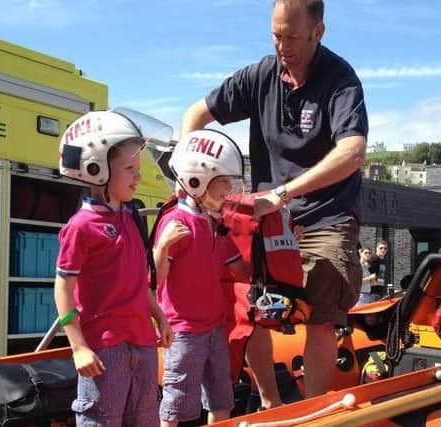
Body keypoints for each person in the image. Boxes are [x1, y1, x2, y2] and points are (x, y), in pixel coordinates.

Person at [181, 0, 367, 401]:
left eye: (292, 37)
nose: (282, 45)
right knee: (251, 311)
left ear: (318, 32)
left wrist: (282, 194)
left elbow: (353, 152)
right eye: (275, 35)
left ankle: (313, 410)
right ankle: (270, 401)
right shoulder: (260, 75)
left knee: (319, 314)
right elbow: (196, 114)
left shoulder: (340, 79)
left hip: (325, 215)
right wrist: (188, 178)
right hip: (267, 218)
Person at [54, 109, 174, 426]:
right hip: (105, 350)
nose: (139, 177)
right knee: (101, 420)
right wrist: (78, 346)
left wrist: (159, 316)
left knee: (146, 419)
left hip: (143, 344)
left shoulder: (130, 218)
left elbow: (137, 283)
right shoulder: (81, 226)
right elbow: (62, 288)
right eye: (130, 168)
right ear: (97, 169)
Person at [154, 129, 249, 426]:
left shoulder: (213, 225)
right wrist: (163, 246)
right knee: (175, 406)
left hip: (214, 328)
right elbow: (155, 279)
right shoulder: (175, 223)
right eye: (223, 183)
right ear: (198, 180)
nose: (229, 191)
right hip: (184, 331)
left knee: (221, 401)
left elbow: (242, 269)